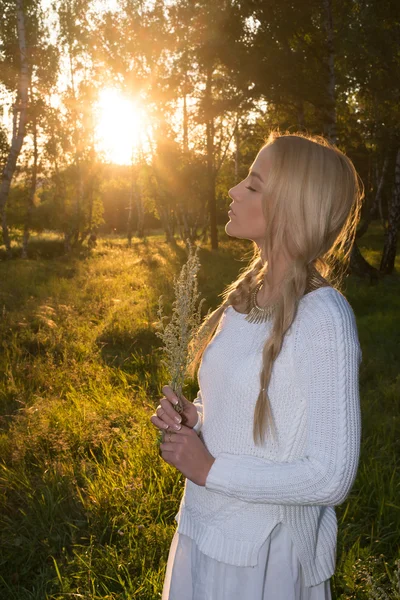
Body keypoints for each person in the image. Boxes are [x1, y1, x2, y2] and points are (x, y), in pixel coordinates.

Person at [150, 130, 364, 600]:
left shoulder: (324, 318)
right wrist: (197, 417)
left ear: (291, 206)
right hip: (204, 527)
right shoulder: (246, 296)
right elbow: (246, 419)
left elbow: (331, 475)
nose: (232, 191)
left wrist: (209, 469)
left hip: (263, 558)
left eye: (252, 184)